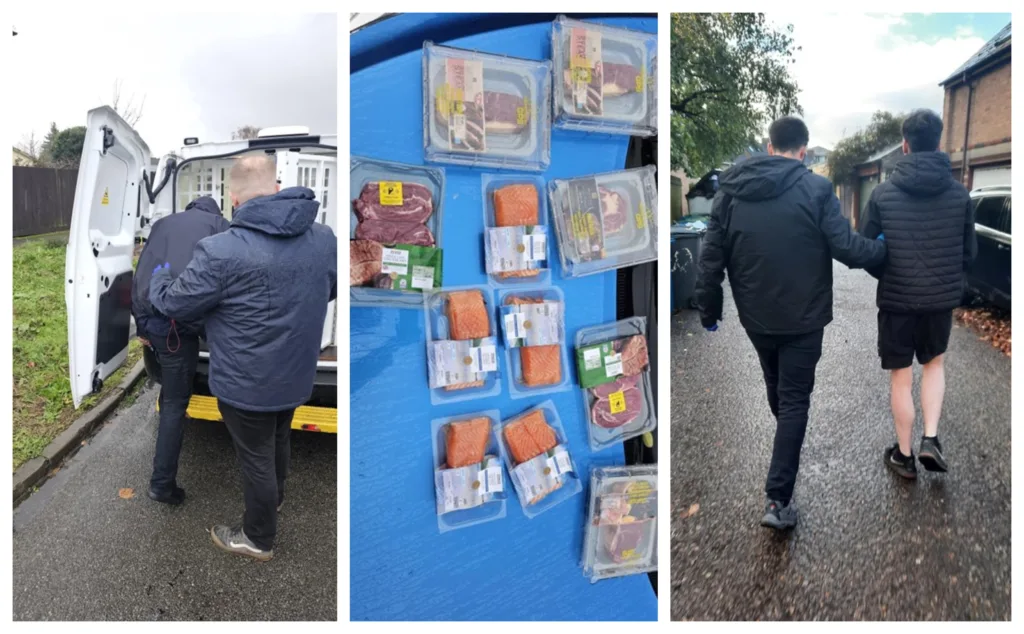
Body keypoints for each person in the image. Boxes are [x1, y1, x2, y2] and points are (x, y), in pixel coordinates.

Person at [696, 116, 887, 530]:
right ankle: (777, 499)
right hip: (804, 318)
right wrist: (883, 251)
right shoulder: (816, 189)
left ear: (769, 146)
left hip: (758, 317)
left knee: (779, 390)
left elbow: (710, 259)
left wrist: (709, 310)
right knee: (794, 400)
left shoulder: (730, 192)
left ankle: (786, 454)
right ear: (803, 150)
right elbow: (847, 248)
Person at [149, 154, 337, 561]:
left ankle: (258, 538)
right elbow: (329, 287)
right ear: (276, 185)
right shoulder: (323, 238)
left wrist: (160, 277)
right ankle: (276, 501)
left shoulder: (221, 251)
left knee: (256, 459)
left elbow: (175, 304)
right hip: (296, 373)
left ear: (232, 197)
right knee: (279, 438)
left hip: (246, 382)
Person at [859, 109, 976, 479]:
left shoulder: (882, 193)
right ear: (939, 142)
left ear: (904, 145)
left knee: (901, 376)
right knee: (934, 365)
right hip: (939, 302)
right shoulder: (960, 195)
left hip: (896, 300)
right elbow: (969, 253)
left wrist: (888, 271)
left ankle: (904, 457)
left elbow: (867, 249)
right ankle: (931, 439)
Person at [131, 195, 230, 505]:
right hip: (184, 329)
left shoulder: (162, 224)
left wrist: (143, 328)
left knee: (170, 397)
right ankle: (161, 484)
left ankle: (163, 480)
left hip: (157, 327)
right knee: (176, 404)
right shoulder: (221, 226)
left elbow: (141, 277)